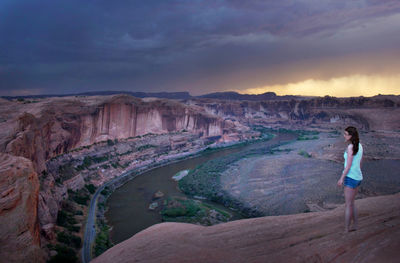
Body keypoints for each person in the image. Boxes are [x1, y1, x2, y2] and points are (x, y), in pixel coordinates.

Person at [337, 126, 363, 232]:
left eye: (346, 134)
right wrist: (358, 173)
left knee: (348, 205)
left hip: (350, 178)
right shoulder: (360, 146)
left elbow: (348, 166)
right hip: (358, 177)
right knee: (352, 203)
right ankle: (355, 226)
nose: (344, 135)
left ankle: (346, 229)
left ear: (351, 136)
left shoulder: (350, 147)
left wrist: (341, 179)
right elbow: (360, 162)